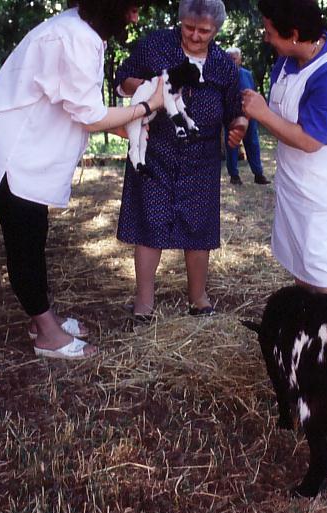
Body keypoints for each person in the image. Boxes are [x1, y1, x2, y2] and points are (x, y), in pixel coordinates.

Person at [0, 0, 165, 360]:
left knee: (31, 239)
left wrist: (125, 127)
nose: (134, 15)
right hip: (15, 155)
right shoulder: (75, 37)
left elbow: (72, 103)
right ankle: (47, 335)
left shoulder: (79, 31)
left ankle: (44, 320)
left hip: (25, 151)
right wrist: (148, 106)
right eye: (131, 7)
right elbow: (88, 114)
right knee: (26, 243)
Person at [114, 0, 248, 318]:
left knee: (199, 227)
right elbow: (123, 80)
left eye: (205, 31)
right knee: (150, 221)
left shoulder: (223, 65)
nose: (196, 36)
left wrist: (239, 127)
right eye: (189, 28)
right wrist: (150, 87)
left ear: (216, 30)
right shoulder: (157, 45)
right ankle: (144, 304)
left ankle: (198, 298)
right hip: (155, 148)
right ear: (180, 22)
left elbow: (234, 110)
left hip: (201, 157)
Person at [241, 0, 327, 301]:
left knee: (324, 263)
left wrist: (263, 115)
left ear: (294, 33)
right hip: (294, 173)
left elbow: (310, 140)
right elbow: (275, 109)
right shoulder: (286, 60)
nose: (266, 38)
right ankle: (307, 329)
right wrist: (247, 118)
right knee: (300, 255)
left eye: (270, 32)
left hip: (325, 179)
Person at [223, 47, 271, 185]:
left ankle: (258, 174)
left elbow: (253, 93)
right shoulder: (222, 76)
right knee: (232, 145)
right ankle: (234, 176)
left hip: (250, 115)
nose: (232, 61)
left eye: (234, 58)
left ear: (240, 59)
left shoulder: (247, 74)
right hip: (232, 117)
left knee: (253, 144)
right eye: (229, 58)